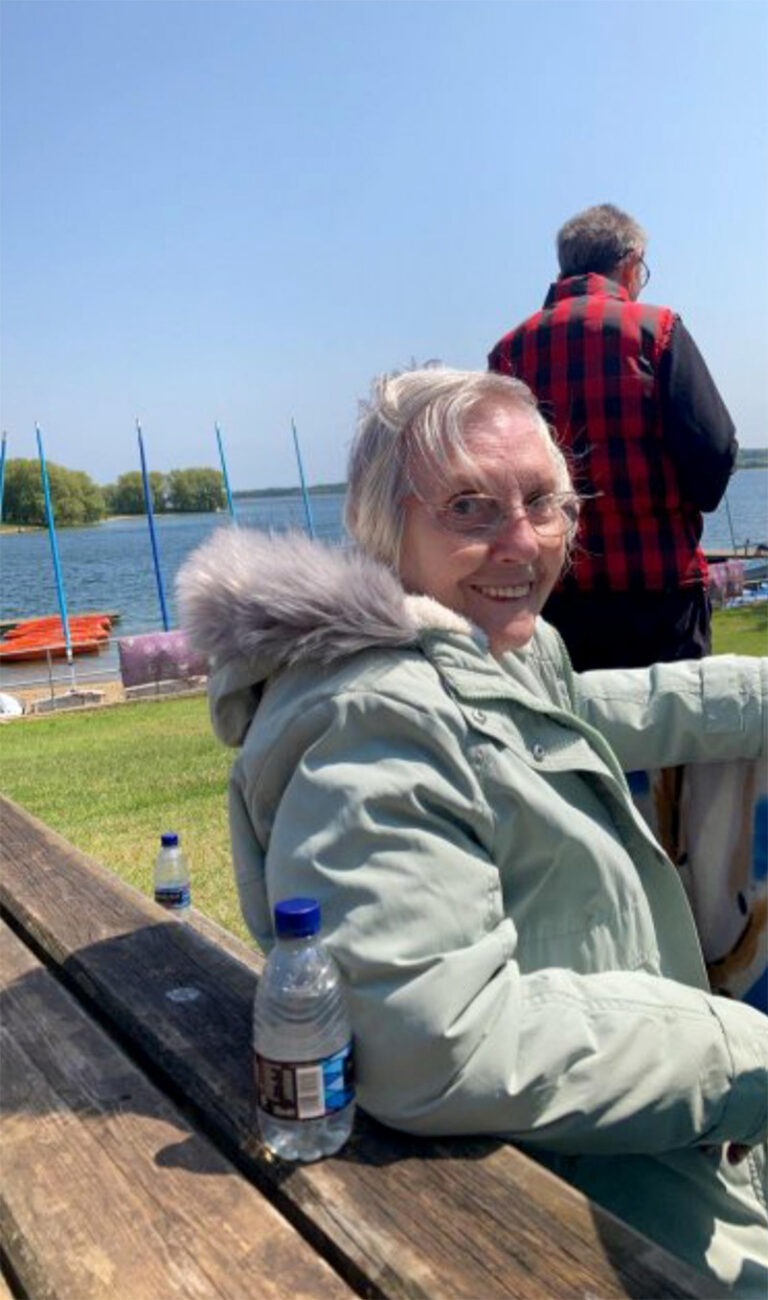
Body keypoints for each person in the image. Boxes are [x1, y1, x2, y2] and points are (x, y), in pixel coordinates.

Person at [178, 367, 767, 1297]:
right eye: (469, 507)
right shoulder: (375, 716)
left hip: (621, 1131)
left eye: (544, 502)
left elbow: (572, 718)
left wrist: (751, 692)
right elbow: (434, 1043)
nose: (522, 541)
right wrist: (745, 1057)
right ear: (385, 526)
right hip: (565, 1190)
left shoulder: (486, 645)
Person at [488, 202, 738, 671]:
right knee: (676, 718)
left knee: (572, 719)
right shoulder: (658, 332)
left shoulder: (507, 354)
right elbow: (715, 450)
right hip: (662, 597)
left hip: (555, 601)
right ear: (630, 262)